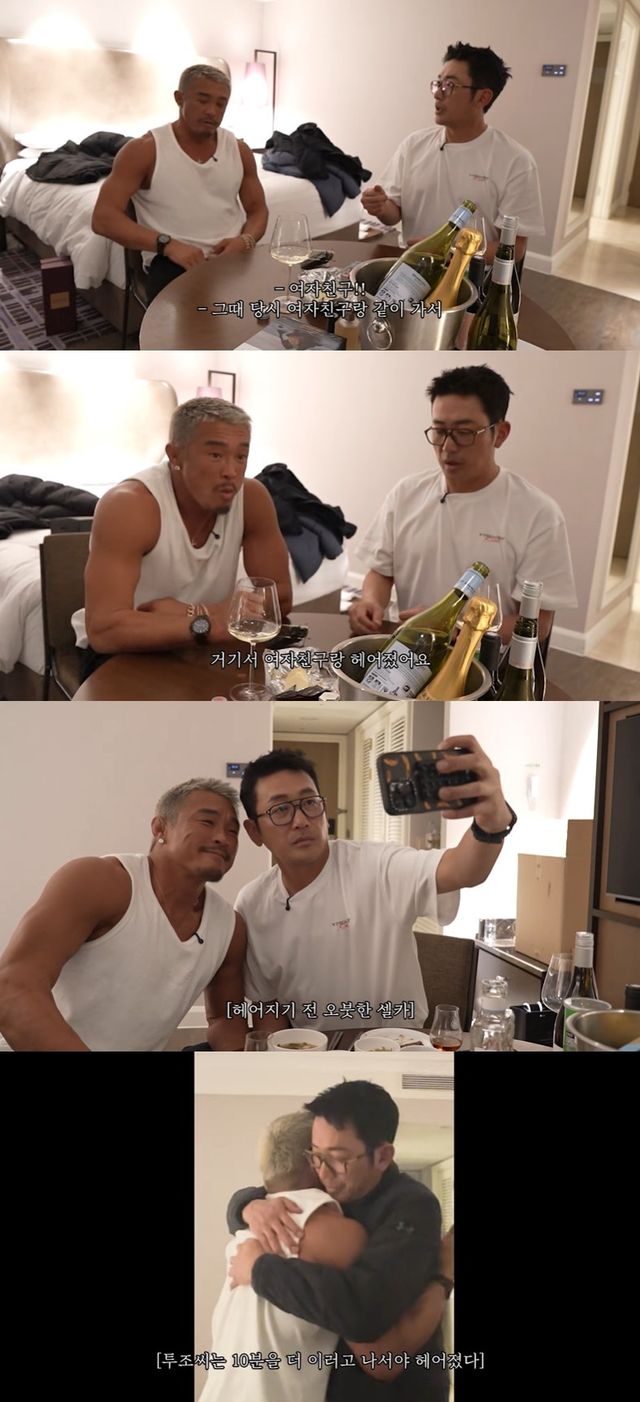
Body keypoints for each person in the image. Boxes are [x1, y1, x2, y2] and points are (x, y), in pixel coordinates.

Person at [230, 740, 516, 1036]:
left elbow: (462, 870)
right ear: (254, 832)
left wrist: (491, 824)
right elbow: (267, 1007)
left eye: (310, 803)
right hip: (312, 1046)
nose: (301, 821)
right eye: (280, 810)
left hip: (398, 1041)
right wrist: (283, 1055)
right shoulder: (253, 903)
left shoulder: (377, 865)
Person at [225, 1082, 453, 1401]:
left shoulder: (412, 1206)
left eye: (337, 1159)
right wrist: (247, 1205)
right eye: (315, 1156)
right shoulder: (331, 1187)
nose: (323, 1172)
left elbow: (362, 1312)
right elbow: (271, 1192)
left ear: (383, 1156)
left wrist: (258, 1269)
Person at [0, 779, 248, 1051]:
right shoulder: (100, 881)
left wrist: (245, 1064)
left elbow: (226, 1017)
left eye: (232, 831)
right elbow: (12, 988)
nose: (222, 838)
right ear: (160, 828)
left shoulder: (230, 927)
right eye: (207, 822)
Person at [350, 364, 577, 644]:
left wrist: (456, 629)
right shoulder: (406, 493)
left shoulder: (538, 514)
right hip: (407, 651)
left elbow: (536, 623)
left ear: (500, 433)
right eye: (439, 431)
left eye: (465, 433)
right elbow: (381, 571)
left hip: (483, 660)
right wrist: (370, 601)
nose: (448, 446)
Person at [72, 397, 292, 673]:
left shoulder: (252, 498)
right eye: (216, 455)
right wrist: (209, 622)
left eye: (241, 456)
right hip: (127, 651)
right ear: (175, 455)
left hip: (206, 645)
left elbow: (281, 599)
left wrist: (194, 613)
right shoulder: (130, 505)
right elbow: (105, 630)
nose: (231, 471)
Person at [92, 62, 268, 302]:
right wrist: (169, 245)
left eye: (221, 103)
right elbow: (103, 218)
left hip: (232, 255)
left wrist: (245, 240)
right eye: (202, 100)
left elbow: (258, 210)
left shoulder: (239, 150)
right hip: (172, 259)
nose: (212, 111)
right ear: (179, 98)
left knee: (282, 305)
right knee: (197, 321)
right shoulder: (144, 150)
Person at [361, 42, 544, 265]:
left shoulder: (515, 161)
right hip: (409, 269)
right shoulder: (414, 145)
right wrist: (380, 206)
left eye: (450, 85)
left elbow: (513, 248)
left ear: (483, 97)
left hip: (470, 276)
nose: (438, 93)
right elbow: (394, 214)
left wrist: (447, 251)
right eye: (438, 83)